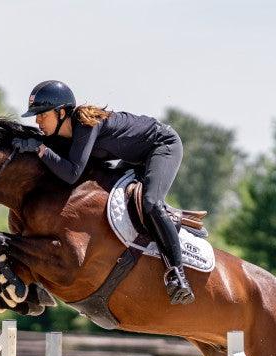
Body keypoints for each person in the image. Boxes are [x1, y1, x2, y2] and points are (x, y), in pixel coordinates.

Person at [13, 80, 194, 305]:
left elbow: (71, 173)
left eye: (42, 115)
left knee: (151, 202)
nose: (37, 120)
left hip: (162, 146)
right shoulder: (63, 132)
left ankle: (178, 274)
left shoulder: (85, 124)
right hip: (132, 159)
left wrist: (40, 149)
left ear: (61, 112)